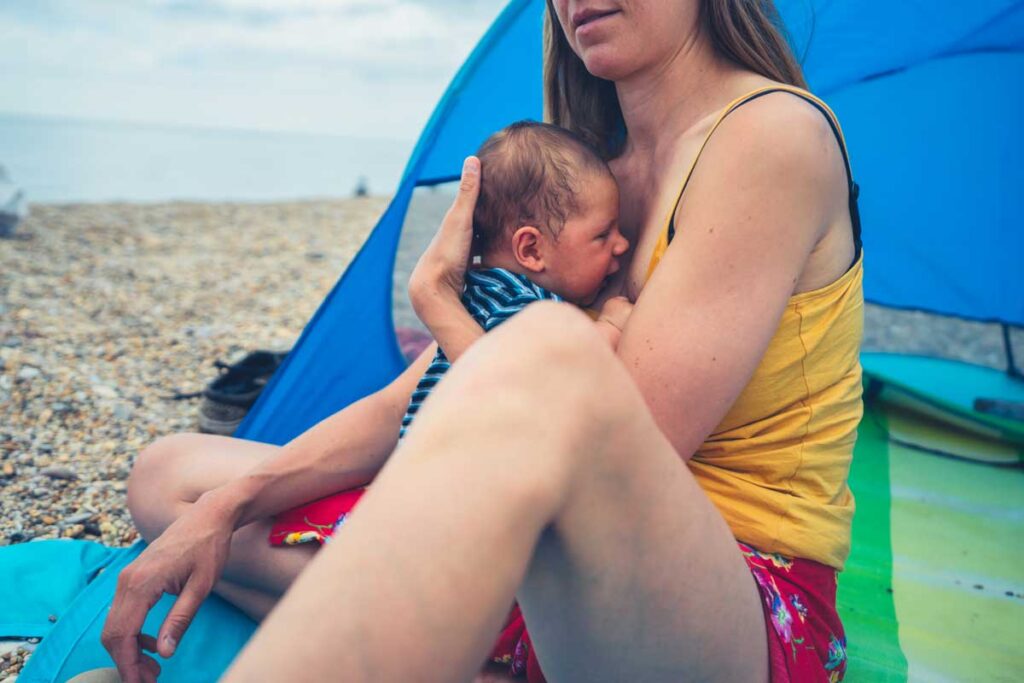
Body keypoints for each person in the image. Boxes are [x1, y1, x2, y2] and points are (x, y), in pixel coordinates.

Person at [104, 1, 864, 682]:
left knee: (550, 347)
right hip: (541, 554)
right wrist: (228, 507)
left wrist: (439, 302)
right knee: (171, 476)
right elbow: (408, 405)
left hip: (729, 600)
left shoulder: (769, 136)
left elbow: (589, 436)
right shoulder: (590, 172)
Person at [267, 120, 630, 548]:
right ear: (531, 250)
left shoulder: (477, 297)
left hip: (419, 485)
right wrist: (611, 326)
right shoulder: (527, 310)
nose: (621, 245)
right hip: (453, 505)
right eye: (603, 235)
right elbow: (546, 384)